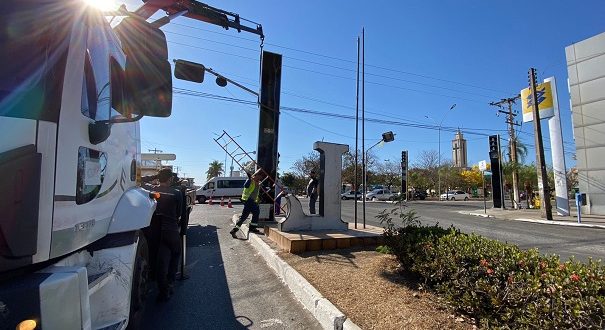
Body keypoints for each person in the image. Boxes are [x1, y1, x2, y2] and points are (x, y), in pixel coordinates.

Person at [152, 168, 183, 301]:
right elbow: (179, 213)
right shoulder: (176, 193)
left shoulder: (152, 191)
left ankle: (163, 290)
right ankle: (170, 282)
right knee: (176, 253)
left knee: (159, 262)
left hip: (156, 231)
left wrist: (156, 177)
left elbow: (140, 181)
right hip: (171, 229)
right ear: (170, 179)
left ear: (158, 178)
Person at [230, 169, 264, 238]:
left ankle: (234, 230)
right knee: (256, 212)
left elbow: (256, 192)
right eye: (260, 176)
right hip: (249, 200)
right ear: (257, 175)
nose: (261, 178)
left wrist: (258, 199)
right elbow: (246, 185)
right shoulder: (250, 181)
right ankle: (252, 228)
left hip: (251, 201)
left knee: (244, 216)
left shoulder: (257, 182)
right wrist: (249, 179)